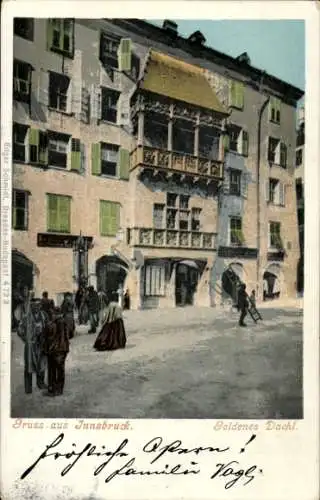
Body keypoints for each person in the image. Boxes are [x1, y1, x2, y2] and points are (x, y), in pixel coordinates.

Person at [17, 295, 47, 394]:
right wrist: (26, 339)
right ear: (31, 306)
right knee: (29, 367)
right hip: (30, 346)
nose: (36, 307)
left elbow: (48, 327)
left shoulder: (44, 315)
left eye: (38, 305)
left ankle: (41, 383)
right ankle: (28, 388)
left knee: (42, 364)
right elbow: (19, 330)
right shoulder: (26, 317)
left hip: (41, 344)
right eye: (34, 305)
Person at [43, 307, 70, 397]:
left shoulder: (59, 323)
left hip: (57, 350)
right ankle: (56, 389)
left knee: (55, 369)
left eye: (53, 314)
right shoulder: (61, 322)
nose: (52, 316)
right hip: (60, 350)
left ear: (56, 314)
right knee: (57, 369)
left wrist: (51, 348)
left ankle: (56, 389)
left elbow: (59, 338)